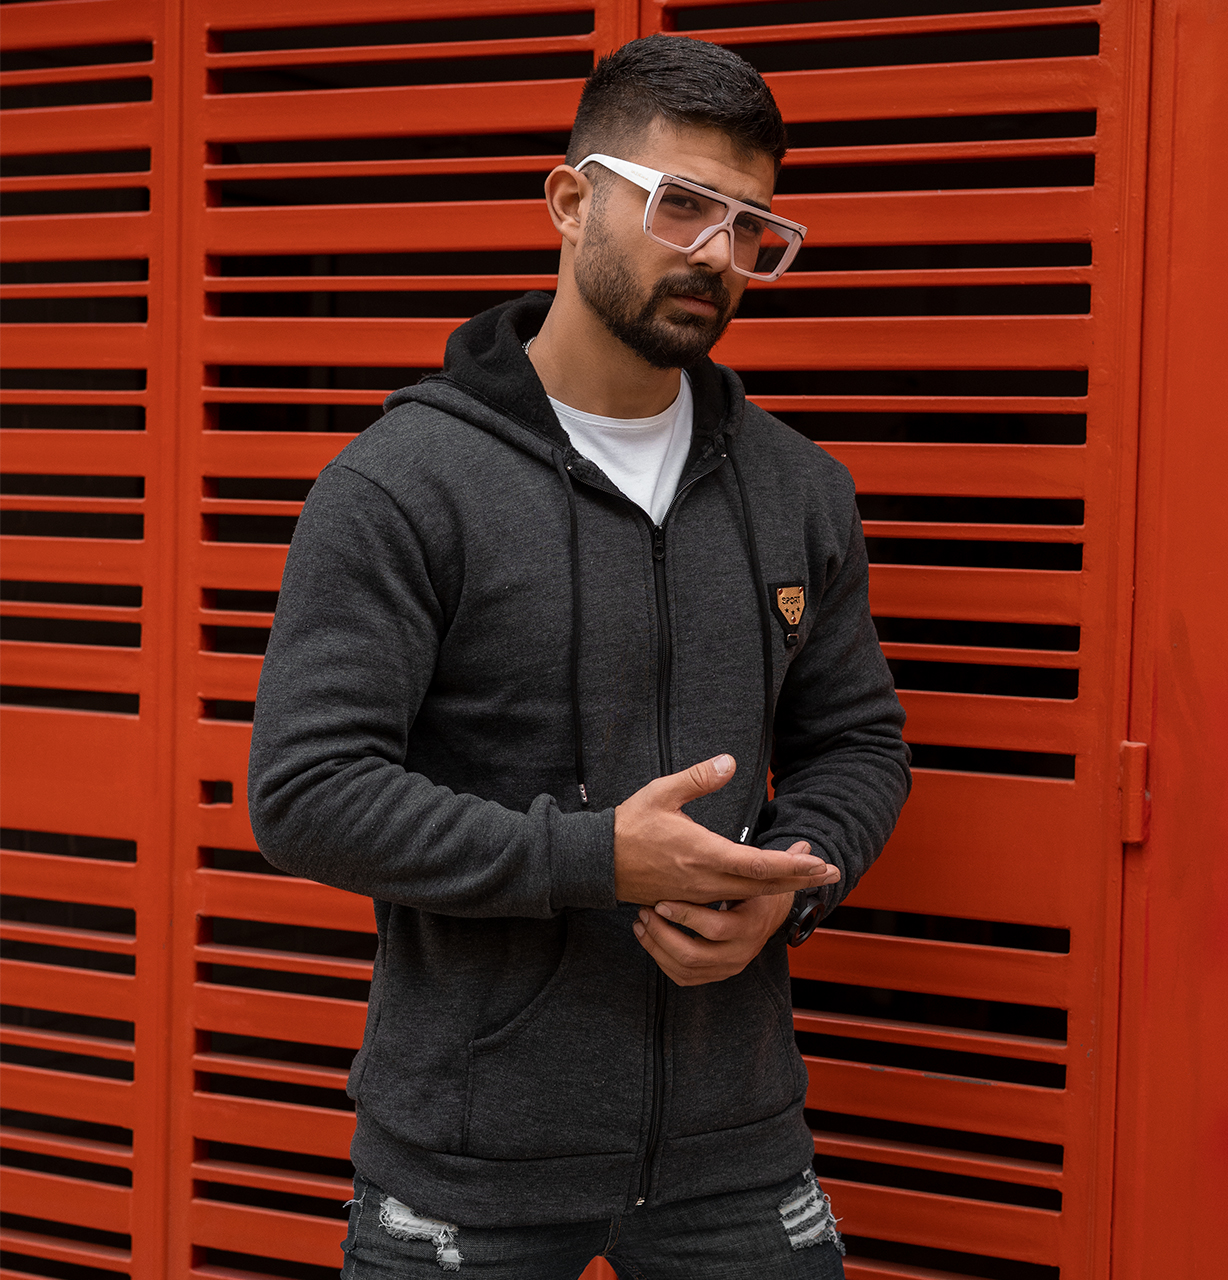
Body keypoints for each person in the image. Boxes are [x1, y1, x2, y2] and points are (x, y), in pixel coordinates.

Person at [248, 33, 910, 1280]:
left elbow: (856, 741)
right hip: (467, 1164)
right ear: (569, 200)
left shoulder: (798, 490)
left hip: (736, 1149)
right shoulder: (405, 483)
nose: (714, 253)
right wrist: (594, 857)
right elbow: (306, 791)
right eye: (682, 204)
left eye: (750, 227)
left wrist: (790, 884)